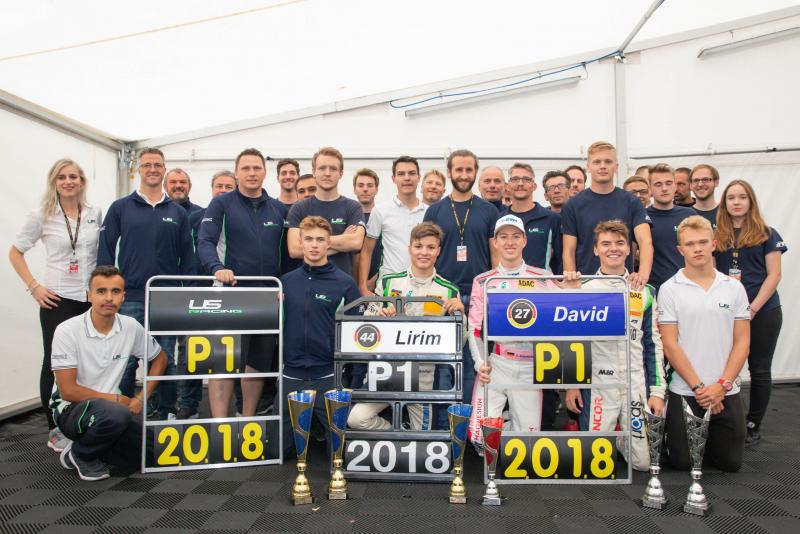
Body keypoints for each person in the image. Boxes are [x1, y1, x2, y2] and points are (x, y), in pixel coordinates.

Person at [9, 159, 103, 451]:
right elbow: (15, 252)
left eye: (73, 176)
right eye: (62, 177)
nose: (68, 181)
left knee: (88, 363)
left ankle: (82, 420)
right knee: (55, 364)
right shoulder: (41, 215)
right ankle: (54, 428)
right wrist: (34, 287)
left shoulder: (94, 213)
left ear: (82, 181)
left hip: (89, 300)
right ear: (54, 182)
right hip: (58, 299)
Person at [98, 147, 195, 420]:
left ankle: (166, 413)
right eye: (147, 164)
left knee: (166, 359)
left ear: (164, 169)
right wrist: (106, 291)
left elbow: (188, 257)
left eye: (157, 165)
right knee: (126, 360)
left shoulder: (177, 212)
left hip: (168, 299)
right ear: (137, 170)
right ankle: (121, 413)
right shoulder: (120, 208)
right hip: (130, 298)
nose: (152, 169)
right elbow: (106, 251)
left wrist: (187, 294)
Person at [564, 220, 666, 471]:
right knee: (593, 465)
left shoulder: (645, 291)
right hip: (600, 383)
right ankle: (610, 437)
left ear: (630, 249)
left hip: (635, 381)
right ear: (595, 249)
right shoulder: (583, 289)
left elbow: (653, 344)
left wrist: (657, 392)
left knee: (643, 464)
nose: (613, 249)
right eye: (606, 243)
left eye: (620, 243)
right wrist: (571, 384)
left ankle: (621, 440)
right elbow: (571, 341)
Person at [51, 266, 167, 481]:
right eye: (101, 291)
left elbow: (160, 359)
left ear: (123, 296)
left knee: (156, 453)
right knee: (116, 415)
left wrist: (142, 398)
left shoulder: (130, 326)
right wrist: (116, 400)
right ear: (89, 295)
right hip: (70, 409)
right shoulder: (67, 330)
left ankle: (97, 446)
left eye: (115, 291)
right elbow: (68, 391)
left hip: (113, 411)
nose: (108, 298)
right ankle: (80, 454)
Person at [348, 222, 465, 431]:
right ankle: (398, 431)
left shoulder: (448, 290)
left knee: (422, 437)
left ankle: (409, 434)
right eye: (418, 246)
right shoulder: (389, 282)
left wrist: (460, 316)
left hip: (424, 375)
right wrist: (380, 316)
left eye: (430, 247)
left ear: (438, 250)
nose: (424, 252)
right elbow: (367, 322)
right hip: (386, 370)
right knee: (356, 419)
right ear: (409, 248)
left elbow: (460, 341)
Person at [197, 148, 287, 418]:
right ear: (237, 173)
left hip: (266, 299)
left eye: (256, 168)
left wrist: (284, 287)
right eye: (246, 168)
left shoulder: (278, 209)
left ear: (265, 172)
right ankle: (220, 425)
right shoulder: (221, 204)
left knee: (256, 365)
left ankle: (247, 421)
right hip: (230, 295)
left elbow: (287, 255)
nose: (251, 173)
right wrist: (217, 268)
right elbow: (205, 241)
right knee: (223, 365)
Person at [659, 216, 750, 472]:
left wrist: (721, 385)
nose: (697, 248)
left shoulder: (734, 288)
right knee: (683, 463)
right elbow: (670, 345)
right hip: (687, 389)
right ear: (680, 250)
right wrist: (701, 389)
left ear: (714, 244)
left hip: (726, 389)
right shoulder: (669, 289)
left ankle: (710, 436)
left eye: (702, 242)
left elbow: (742, 341)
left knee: (730, 463)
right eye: (690, 244)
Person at [468, 215, 568, 447]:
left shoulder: (543, 277)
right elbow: (474, 328)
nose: (510, 242)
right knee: (480, 441)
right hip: (497, 363)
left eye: (515, 236)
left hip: (531, 366)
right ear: (495, 242)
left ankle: (510, 423)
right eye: (503, 237)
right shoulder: (483, 281)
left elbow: (565, 317)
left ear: (524, 241)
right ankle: (505, 422)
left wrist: (572, 287)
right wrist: (480, 363)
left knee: (526, 446)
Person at [423, 149, 499, 419]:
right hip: (443, 297)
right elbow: (427, 252)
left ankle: (468, 426)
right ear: (449, 172)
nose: (464, 175)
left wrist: (492, 294)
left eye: (469, 170)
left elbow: (495, 256)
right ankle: (444, 427)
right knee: (442, 366)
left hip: (478, 297)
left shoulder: (489, 210)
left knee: (473, 366)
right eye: (459, 169)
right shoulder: (435, 210)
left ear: (475, 172)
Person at [281, 216, 362, 457]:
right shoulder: (285, 282)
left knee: (338, 456)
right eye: (308, 239)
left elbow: (356, 333)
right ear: (301, 242)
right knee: (277, 450)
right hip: (291, 374)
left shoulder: (345, 283)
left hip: (327, 375)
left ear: (329, 243)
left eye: (320, 239)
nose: (314, 245)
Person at [714, 180, 787, 444]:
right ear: (724, 203)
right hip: (726, 312)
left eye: (742, 197)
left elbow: (774, 275)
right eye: (731, 197)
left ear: (751, 201)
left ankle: (753, 423)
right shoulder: (717, 235)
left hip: (763, 310)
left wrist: (752, 308)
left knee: (759, 368)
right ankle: (723, 419)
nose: (736, 202)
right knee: (723, 365)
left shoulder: (767, 234)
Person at [178, 170, 237, 419]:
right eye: (219, 186)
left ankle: (236, 409)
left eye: (228, 186)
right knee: (191, 350)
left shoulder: (240, 216)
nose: (223, 190)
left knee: (231, 352)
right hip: (200, 288)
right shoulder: (195, 217)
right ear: (211, 189)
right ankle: (188, 404)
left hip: (232, 291)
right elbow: (187, 252)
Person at [561, 141, 653, 290]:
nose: (602, 166)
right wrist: (574, 286)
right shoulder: (573, 205)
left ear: (616, 166)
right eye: (597, 162)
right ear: (588, 166)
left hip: (624, 286)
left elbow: (645, 241)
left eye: (608, 161)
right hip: (587, 286)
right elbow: (569, 250)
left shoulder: (632, 202)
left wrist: (642, 276)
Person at [287, 147, 365, 277]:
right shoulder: (299, 208)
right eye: (322, 168)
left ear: (341, 173)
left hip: (341, 283)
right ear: (314, 172)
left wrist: (311, 246)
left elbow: (356, 243)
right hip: (308, 282)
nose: (327, 173)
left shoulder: (353, 207)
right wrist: (343, 240)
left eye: (333, 169)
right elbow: (294, 250)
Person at [358, 157, 427, 295]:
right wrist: (363, 287)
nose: (407, 178)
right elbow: (366, 251)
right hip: (388, 287)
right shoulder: (380, 210)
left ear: (419, 177)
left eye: (412, 173)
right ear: (393, 179)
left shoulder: (429, 211)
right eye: (401, 174)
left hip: (422, 286)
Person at [504, 163, 562, 273]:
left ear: (534, 186)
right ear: (507, 186)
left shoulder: (552, 219)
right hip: (506, 283)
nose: (520, 184)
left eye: (526, 179)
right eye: (515, 179)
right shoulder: (499, 219)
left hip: (540, 283)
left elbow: (561, 260)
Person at [646, 164, 695, 292]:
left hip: (687, 287)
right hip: (653, 289)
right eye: (658, 184)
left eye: (668, 183)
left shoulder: (689, 215)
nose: (664, 188)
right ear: (650, 188)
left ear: (675, 186)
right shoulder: (642, 217)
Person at [353, 168, 383, 289]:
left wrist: (374, 281)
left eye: (370, 185)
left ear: (376, 189)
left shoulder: (384, 217)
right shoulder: (349, 218)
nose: (365, 189)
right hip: (352, 282)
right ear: (354, 189)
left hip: (379, 282)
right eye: (360, 185)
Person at [690, 164, 720, 228]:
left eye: (705, 179)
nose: (700, 184)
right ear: (691, 185)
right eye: (696, 180)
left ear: (716, 182)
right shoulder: (684, 215)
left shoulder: (726, 212)